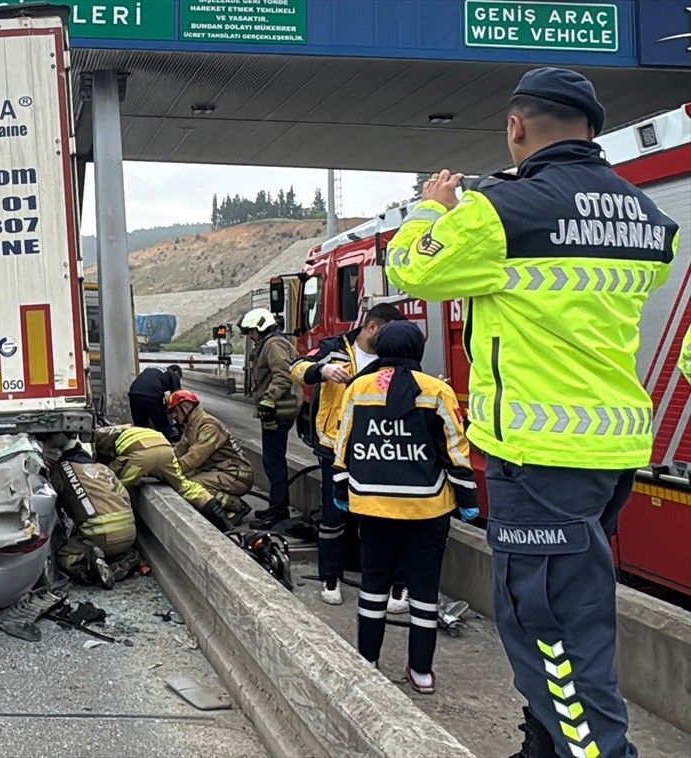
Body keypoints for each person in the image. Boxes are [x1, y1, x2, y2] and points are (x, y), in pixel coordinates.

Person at [385, 68, 679, 758]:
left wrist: (434, 208)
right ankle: (543, 747)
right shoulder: (646, 216)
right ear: (593, 129)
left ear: (516, 127)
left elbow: (411, 271)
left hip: (539, 454)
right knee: (573, 615)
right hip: (608, 449)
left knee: (548, 631)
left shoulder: (502, 212)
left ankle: (598, 752)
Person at [332, 321, 480, 695]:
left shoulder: (358, 389)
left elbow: (343, 444)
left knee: (373, 586)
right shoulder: (437, 391)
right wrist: (468, 501)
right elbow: (455, 453)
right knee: (424, 592)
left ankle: (368, 662)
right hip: (427, 511)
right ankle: (421, 673)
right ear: (416, 349)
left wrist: (340, 489)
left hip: (371, 505)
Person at [289, 303, 408, 606]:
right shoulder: (334, 348)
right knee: (334, 514)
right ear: (372, 327)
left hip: (375, 446)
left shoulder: (391, 356)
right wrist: (322, 370)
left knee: (379, 515)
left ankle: (384, 580)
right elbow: (297, 369)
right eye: (387, 332)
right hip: (334, 446)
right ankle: (331, 578)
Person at [92, 423, 232, 532]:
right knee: (184, 486)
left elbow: (105, 468)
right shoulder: (127, 428)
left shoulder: (96, 436)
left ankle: (109, 527)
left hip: (139, 453)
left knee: (114, 489)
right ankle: (221, 518)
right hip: (164, 447)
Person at [46, 435, 139, 589]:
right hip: (129, 535)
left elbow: (57, 506)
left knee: (61, 555)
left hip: (100, 537)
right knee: (115, 546)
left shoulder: (62, 470)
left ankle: (89, 564)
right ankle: (124, 559)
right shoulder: (104, 469)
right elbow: (125, 497)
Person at [238, 308, 300, 530]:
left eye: (251, 332)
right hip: (273, 410)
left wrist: (269, 399)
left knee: (274, 462)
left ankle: (278, 510)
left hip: (278, 410)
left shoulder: (274, 345)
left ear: (261, 327)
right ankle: (277, 506)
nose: (250, 337)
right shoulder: (271, 343)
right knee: (272, 461)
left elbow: (283, 375)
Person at [168, 389, 254, 525]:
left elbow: (194, 458)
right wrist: (162, 463)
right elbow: (178, 451)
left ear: (185, 407)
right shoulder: (192, 426)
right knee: (186, 480)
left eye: (175, 411)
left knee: (191, 485)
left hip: (236, 474)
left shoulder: (208, 426)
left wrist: (169, 472)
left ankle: (237, 506)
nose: (173, 416)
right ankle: (222, 504)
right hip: (222, 471)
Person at [127, 365, 183, 441]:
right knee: (162, 424)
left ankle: (143, 446)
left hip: (134, 393)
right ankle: (168, 446)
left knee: (140, 426)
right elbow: (177, 398)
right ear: (176, 372)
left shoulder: (154, 370)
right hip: (152, 395)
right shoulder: (172, 374)